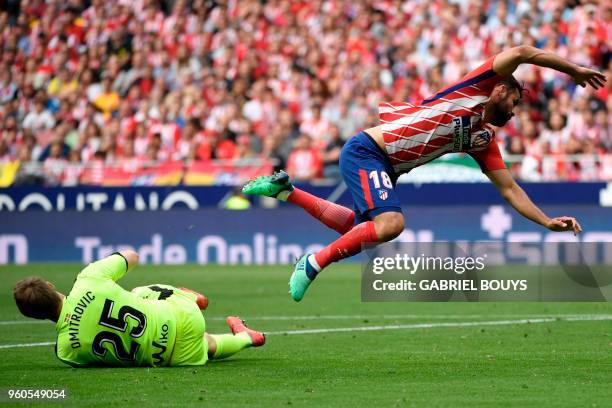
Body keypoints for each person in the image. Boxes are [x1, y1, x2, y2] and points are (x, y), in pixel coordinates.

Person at [242, 45, 607, 302]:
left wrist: (545, 222)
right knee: (390, 225)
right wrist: (572, 69)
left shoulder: (482, 139)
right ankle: (313, 262)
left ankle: (286, 191)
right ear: (500, 88)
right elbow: (524, 52)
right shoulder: (475, 86)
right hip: (368, 150)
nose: (514, 113)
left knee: (358, 228)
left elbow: (510, 190)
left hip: (386, 165)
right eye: (514, 102)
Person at [13, 250, 265, 367]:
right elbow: (132, 255)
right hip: (182, 315)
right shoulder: (88, 279)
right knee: (137, 292)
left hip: (168, 357)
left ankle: (246, 339)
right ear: (50, 285)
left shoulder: (66, 351)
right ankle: (189, 297)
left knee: (206, 346)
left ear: (31, 315)